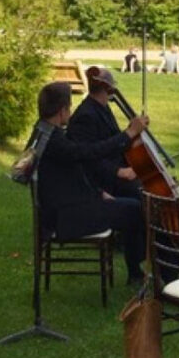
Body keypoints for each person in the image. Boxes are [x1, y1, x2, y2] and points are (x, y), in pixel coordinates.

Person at [36, 82, 149, 283]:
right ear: (62, 111)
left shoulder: (45, 132)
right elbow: (89, 152)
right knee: (135, 209)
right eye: (69, 108)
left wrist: (98, 193)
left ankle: (137, 271)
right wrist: (128, 134)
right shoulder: (55, 141)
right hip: (66, 217)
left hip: (64, 207)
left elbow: (73, 173)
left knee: (131, 206)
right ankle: (137, 272)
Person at [67, 67, 142, 202]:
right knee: (142, 193)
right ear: (108, 89)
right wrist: (119, 171)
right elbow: (87, 156)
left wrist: (131, 140)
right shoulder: (85, 116)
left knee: (146, 185)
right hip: (102, 181)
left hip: (115, 170)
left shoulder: (102, 107)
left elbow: (112, 140)